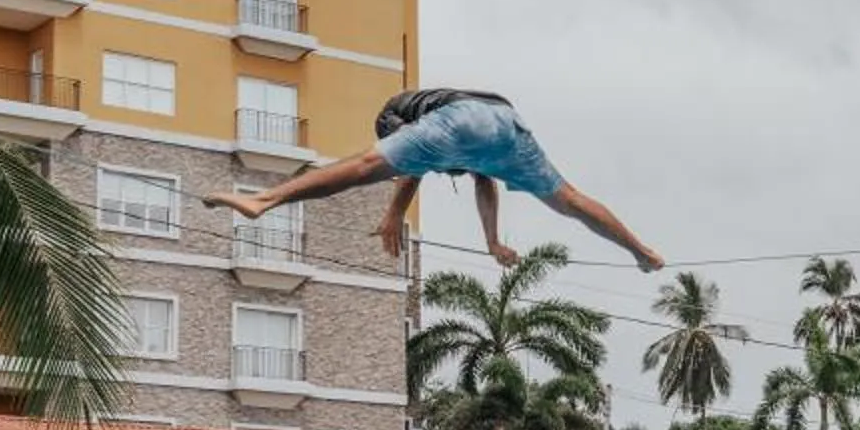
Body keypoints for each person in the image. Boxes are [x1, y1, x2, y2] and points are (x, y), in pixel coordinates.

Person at [200, 86, 663, 272]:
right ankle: (641, 252)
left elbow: (402, 168)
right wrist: (493, 243)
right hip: (510, 128)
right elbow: (485, 181)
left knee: (363, 168)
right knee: (570, 200)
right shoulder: (472, 156)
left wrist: (392, 214)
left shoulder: (393, 116)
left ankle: (266, 199)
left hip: (466, 117)